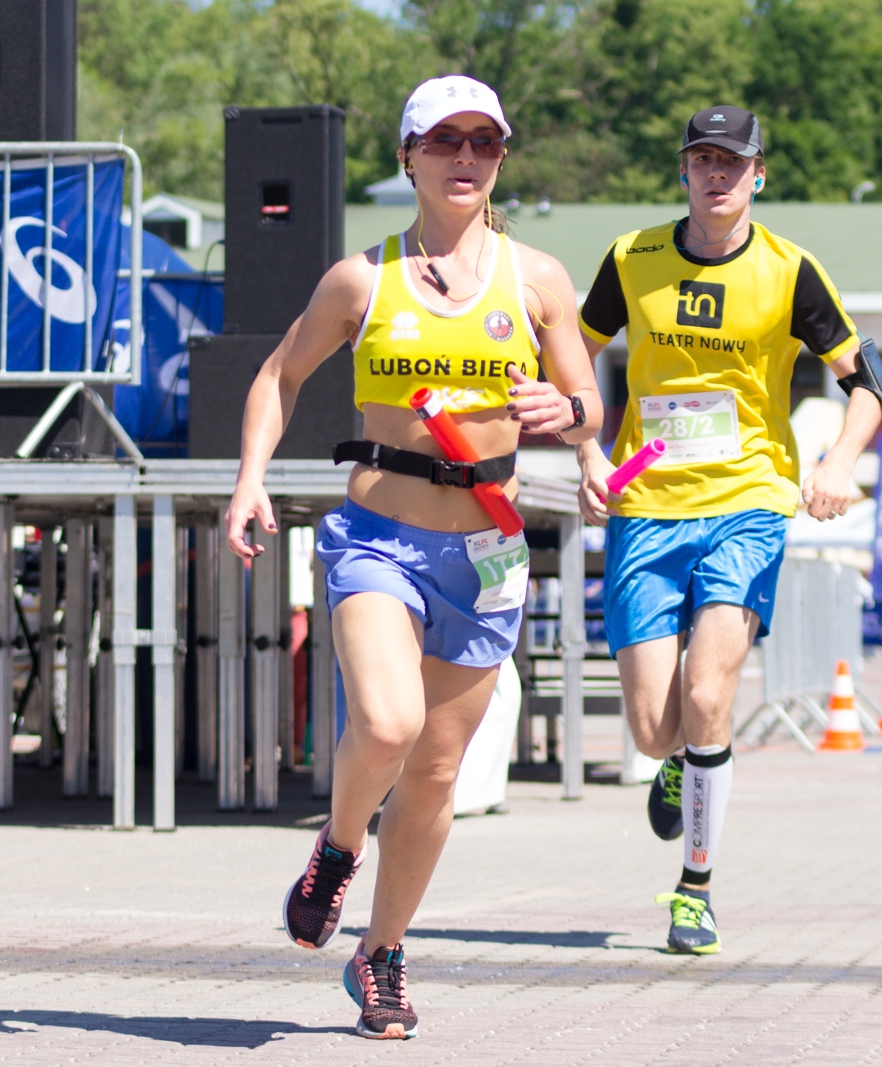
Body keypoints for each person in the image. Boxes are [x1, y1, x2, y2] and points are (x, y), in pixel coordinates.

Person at [224, 76, 600, 1040]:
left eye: (483, 142)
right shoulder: (364, 278)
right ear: (408, 159)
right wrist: (250, 477)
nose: (465, 158)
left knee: (436, 772)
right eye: (444, 142)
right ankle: (339, 848)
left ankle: (381, 954)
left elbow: (589, 403)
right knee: (387, 723)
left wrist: (571, 419)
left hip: (486, 550)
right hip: (377, 537)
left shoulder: (540, 279)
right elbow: (280, 374)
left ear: (502, 157)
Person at [574, 106, 882, 955]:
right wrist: (588, 452)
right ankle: (679, 763)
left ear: (759, 175)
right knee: (650, 726)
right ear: (684, 171)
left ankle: (695, 890)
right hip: (644, 502)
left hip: (749, 500)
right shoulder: (631, 258)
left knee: (709, 699)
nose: (717, 175)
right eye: (701, 160)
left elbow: (870, 380)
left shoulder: (791, 270)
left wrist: (836, 462)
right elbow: (568, 352)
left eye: (732, 161)